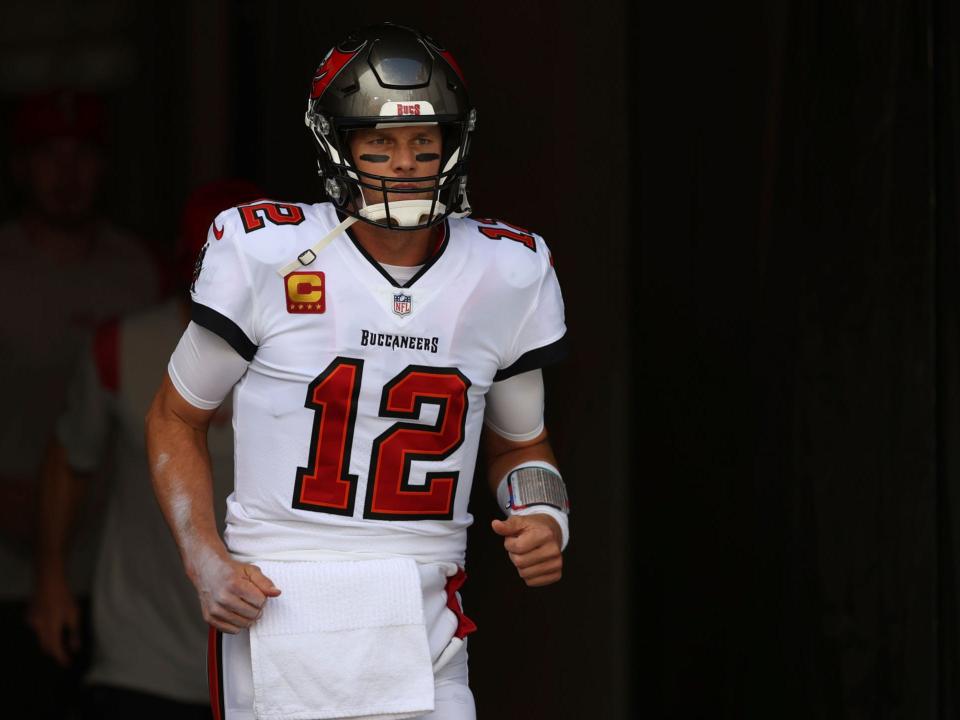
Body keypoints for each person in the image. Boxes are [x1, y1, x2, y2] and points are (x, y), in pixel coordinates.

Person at [146, 23, 570, 720]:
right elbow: (175, 415)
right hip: (277, 600)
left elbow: (523, 445)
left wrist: (544, 512)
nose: (403, 163)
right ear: (337, 147)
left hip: (425, 607)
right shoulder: (266, 253)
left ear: (452, 147)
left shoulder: (507, 270)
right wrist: (205, 559)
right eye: (379, 144)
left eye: (423, 143)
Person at [29, 180, 262, 720]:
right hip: (141, 650)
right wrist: (51, 578)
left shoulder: (316, 348)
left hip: (267, 646)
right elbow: (71, 457)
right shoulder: (124, 345)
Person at [0, 89, 160, 719]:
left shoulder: (138, 271)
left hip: (112, 562)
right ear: (18, 167)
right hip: (5, 556)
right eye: (48, 155)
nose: (66, 175)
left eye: (82, 155)